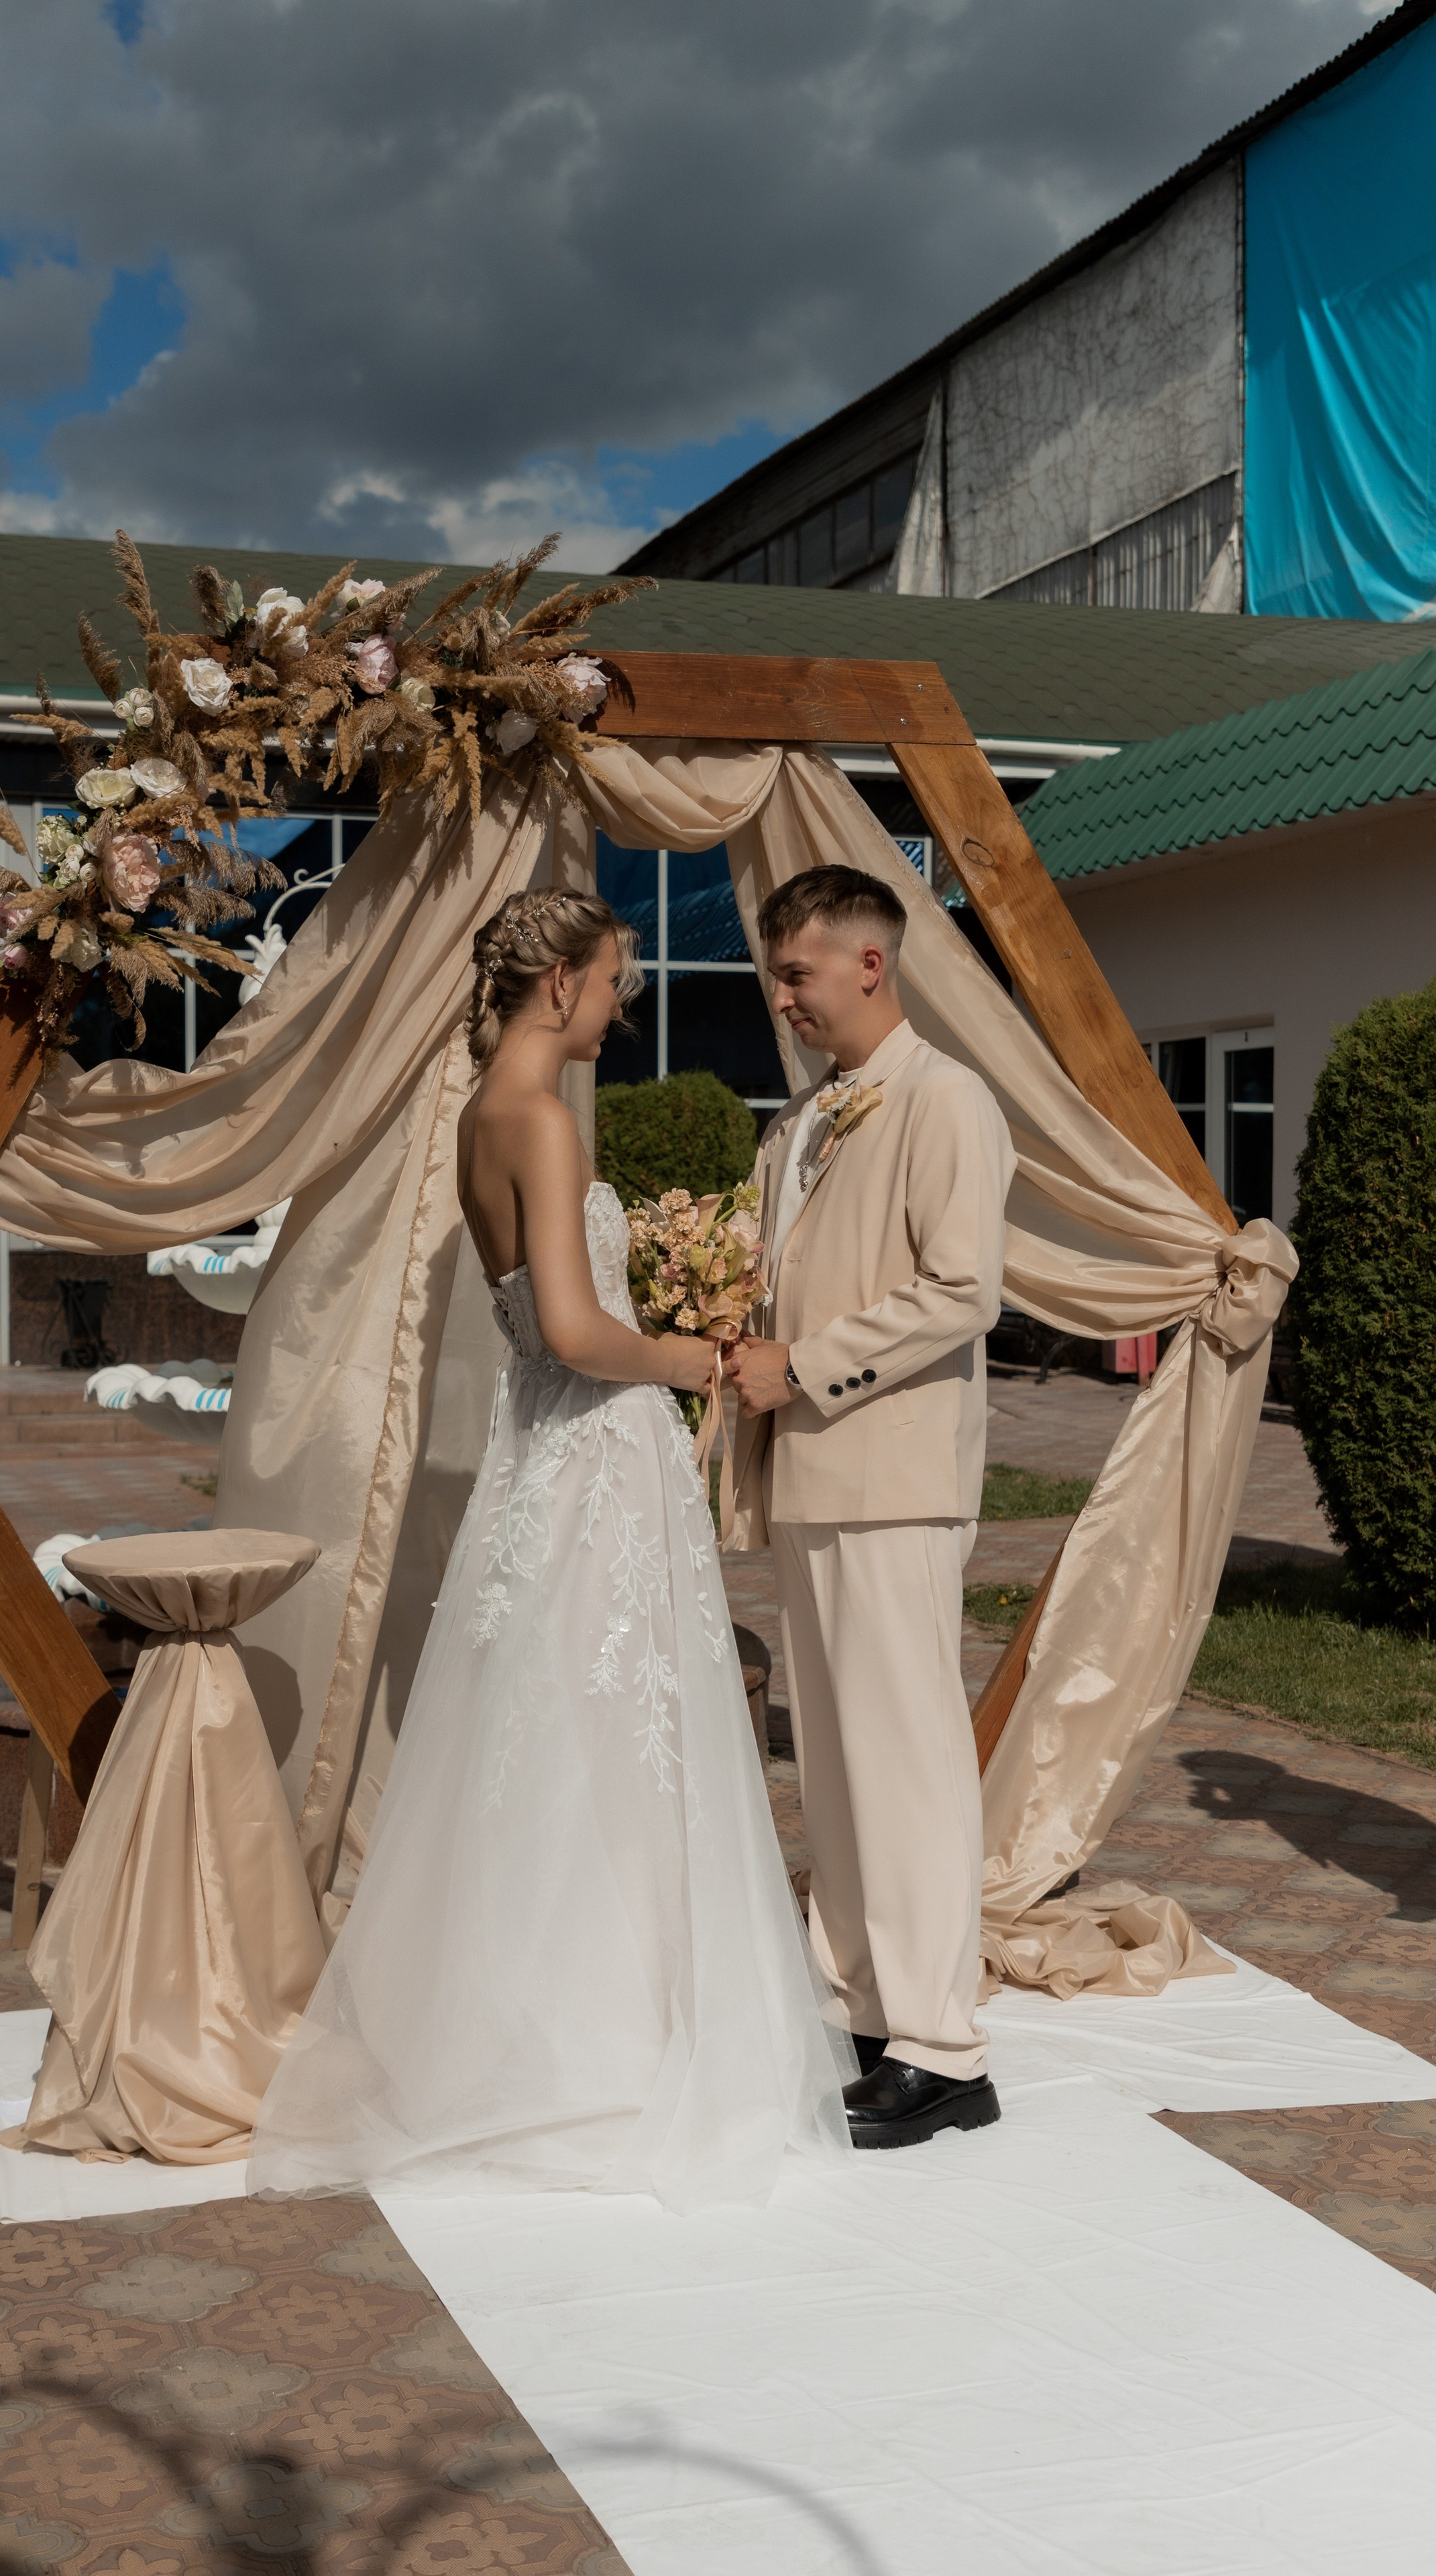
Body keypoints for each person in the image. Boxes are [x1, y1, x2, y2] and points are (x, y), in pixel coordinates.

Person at [249, 885, 852, 2213]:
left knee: (557, 1729)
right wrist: (699, 1356)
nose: (624, 1002)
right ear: (558, 985)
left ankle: (528, 2022)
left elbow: (538, 1321)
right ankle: (604, 2044)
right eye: (615, 978)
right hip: (588, 1449)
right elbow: (574, 1333)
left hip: (549, 1451)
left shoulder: (480, 1116)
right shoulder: (538, 1122)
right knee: (617, 1733)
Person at [724, 864, 1015, 2150]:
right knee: (834, 1762)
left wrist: (805, 1365)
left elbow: (964, 1289)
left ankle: (947, 2047)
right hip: (812, 1479)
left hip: (893, 1474)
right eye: (775, 973)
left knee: (906, 1762)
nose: (781, 996)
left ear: (869, 965)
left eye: (797, 972)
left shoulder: (947, 1100)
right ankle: (863, 2006)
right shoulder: (797, 1125)